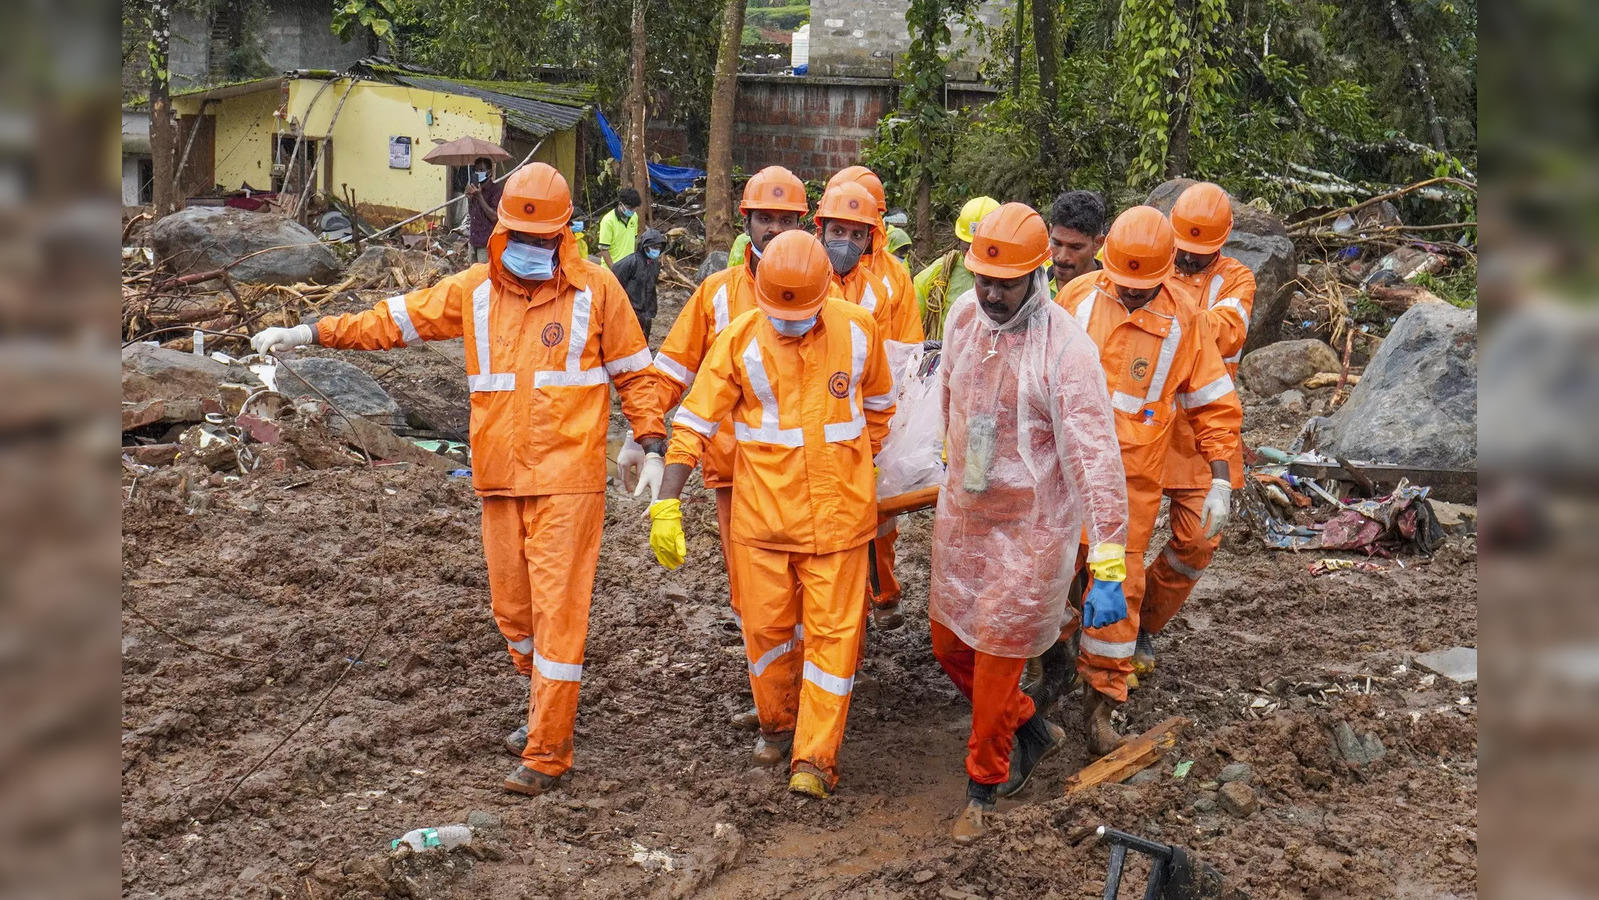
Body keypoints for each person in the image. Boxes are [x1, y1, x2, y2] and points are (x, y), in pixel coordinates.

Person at [248, 163, 666, 798]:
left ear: (563, 236)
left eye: (542, 240)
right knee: (514, 614)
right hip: (499, 478)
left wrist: (649, 440)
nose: (530, 250)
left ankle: (548, 751)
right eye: (519, 238)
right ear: (500, 232)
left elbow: (637, 373)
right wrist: (308, 331)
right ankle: (542, 708)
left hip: (568, 480)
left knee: (558, 615)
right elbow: (393, 320)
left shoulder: (598, 290)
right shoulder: (473, 291)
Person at [646, 229, 897, 800]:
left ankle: (815, 757)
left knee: (835, 641)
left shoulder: (858, 332)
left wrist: (857, 466)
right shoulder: (737, 343)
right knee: (766, 635)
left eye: (800, 314)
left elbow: (880, 409)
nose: (788, 324)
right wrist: (668, 498)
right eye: (778, 314)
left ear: (824, 292)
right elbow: (694, 423)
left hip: (839, 524)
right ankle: (778, 724)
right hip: (762, 526)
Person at [932, 203, 1129, 842]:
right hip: (966, 517)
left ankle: (984, 789)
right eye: (982, 279)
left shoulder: (1066, 349)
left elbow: (1095, 459)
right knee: (948, 645)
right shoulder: (964, 318)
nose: (990, 293)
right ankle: (1030, 724)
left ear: (1036, 274)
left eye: (1004, 283)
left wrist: (1107, 564)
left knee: (994, 664)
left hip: (1031, 531)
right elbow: (948, 401)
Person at [1051, 206, 1241, 753]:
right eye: (1124, 288)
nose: (1131, 299)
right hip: (1063, 482)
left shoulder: (1185, 320)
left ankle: (1101, 706)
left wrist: (1222, 479)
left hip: (1125, 495)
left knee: (1112, 593)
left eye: (1142, 291)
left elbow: (1211, 403)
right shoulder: (1078, 298)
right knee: (1051, 580)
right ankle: (1048, 674)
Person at [630, 165, 812, 731]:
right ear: (746, 222)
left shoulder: (824, 292)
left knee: (813, 596)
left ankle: (807, 701)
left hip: (810, 476)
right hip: (737, 476)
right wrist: (646, 435)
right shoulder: (716, 295)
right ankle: (777, 706)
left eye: (787, 221)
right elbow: (670, 371)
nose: (776, 231)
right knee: (752, 601)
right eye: (767, 219)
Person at [1140, 182, 1256, 674]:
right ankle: (1106, 627)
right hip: (1146, 428)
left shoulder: (1237, 279)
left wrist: (1172, 320)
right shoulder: (1150, 263)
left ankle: (1145, 623)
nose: (1185, 260)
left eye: (1197, 254)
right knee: (1116, 541)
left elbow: (1229, 331)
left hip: (1204, 430)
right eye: (1181, 250)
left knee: (1199, 541)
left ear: (1221, 245)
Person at [815, 179, 924, 630]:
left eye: (856, 231)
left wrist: (897, 414)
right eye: (837, 230)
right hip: (820, 415)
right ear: (821, 227)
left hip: (873, 412)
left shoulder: (892, 278)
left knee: (878, 515)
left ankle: (879, 590)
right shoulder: (804, 270)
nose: (846, 241)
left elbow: (906, 350)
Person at [914, 196, 1000, 338]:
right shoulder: (937, 274)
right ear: (959, 241)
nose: (974, 258)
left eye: (981, 250)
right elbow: (910, 324)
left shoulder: (1016, 279)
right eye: (968, 249)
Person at [613, 227, 667, 342]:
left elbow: (651, 288)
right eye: (653, 247)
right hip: (629, 312)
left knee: (643, 342)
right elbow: (614, 285)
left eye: (658, 248)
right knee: (627, 343)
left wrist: (651, 310)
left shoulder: (655, 264)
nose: (656, 250)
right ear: (645, 247)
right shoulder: (630, 262)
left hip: (646, 312)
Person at [1046, 190, 1108, 289]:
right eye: (1057, 243)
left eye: (1075, 247)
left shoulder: (1113, 295)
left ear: (1098, 243)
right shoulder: (1034, 285)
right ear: (1050, 231)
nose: (1062, 257)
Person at [464, 157, 504, 264]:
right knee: (472, 275)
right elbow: (472, 214)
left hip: (486, 243)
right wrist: (469, 198)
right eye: (476, 170)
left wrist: (479, 197)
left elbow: (495, 217)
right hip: (473, 241)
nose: (478, 173)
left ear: (489, 172)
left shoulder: (496, 190)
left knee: (484, 276)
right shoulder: (475, 188)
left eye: (481, 170)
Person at [597, 186, 642, 267]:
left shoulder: (634, 216)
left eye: (634, 208)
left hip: (628, 267)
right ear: (621, 204)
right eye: (630, 208)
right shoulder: (608, 221)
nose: (632, 211)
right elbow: (604, 250)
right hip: (611, 269)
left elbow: (634, 240)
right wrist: (614, 269)